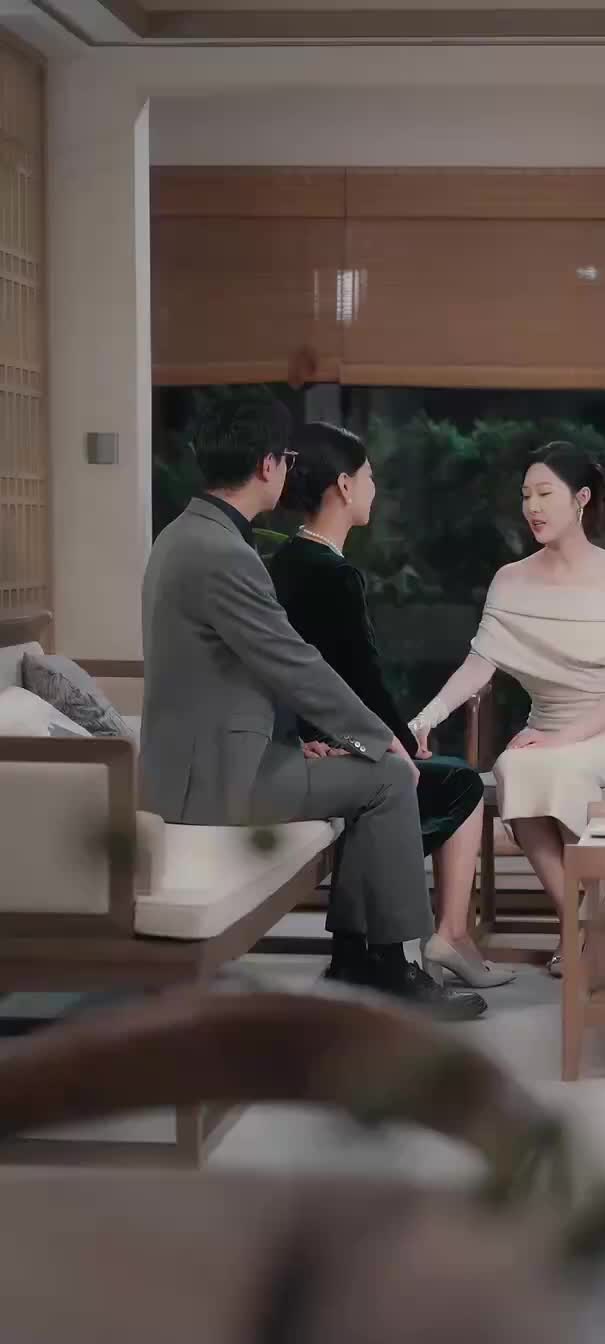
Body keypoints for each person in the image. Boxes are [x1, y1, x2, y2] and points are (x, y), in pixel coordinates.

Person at [140, 390, 485, 1021]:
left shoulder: (184, 536)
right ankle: (389, 967)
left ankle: (362, 958)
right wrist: (378, 739)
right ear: (268, 464)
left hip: (210, 761)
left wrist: (303, 740)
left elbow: (242, 670)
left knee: (374, 773)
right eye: (286, 457)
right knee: (388, 777)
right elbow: (295, 663)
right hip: (219, 781)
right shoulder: (223, 553)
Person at [267, 423, 513, 992]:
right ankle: (406, 945)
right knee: (458, 784)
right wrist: (397, 744)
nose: (374, 489)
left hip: (315, 737)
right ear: (344, 486)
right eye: (370, 476)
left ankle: (364, 948)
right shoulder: (333, 574)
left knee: (430, 778)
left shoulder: (284, 562)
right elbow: (361, 681)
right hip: (337, 743)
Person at [409, 443, 605, 975]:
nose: (532, 507)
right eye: (526, 496)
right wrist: (425, 718)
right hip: (543, 733)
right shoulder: (511, 579)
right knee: (514, 765)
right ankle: (583, 928)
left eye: (545, 494)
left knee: (553, 766)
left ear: (581, 499)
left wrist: (562, 739)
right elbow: (479, 665)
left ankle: (585, 932)